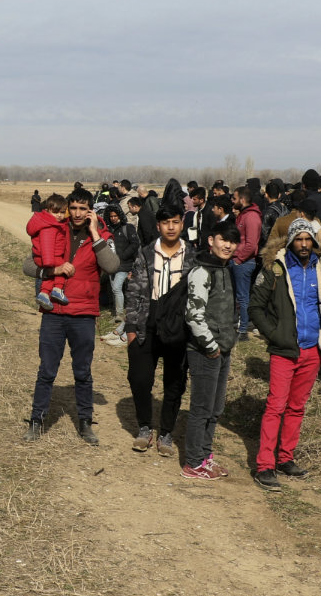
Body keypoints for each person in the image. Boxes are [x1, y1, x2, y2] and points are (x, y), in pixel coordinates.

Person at [23, 190, 117, 444]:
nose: (76, 214)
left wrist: (95, 233)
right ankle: (36, 421)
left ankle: (85, 423)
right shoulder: (54, 228)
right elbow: (28, 265)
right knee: (46, 370)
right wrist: (52, 270)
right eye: (72, 208)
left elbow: (111, 266)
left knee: (83, 372)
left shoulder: (102, 236)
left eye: (82, 209)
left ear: (90, 210)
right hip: (54, 312)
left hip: (84, 314)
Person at [249, 218, 321, 491]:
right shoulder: (276, 267)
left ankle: (285, 458)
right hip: (284, 350)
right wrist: (274, 334)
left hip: (312, 350)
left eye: (308, 239)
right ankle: (264, 465)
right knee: (276, 406)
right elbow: (255, 307)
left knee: (297, 407)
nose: (304, 244)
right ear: (290, 241)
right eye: (299, 239)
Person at [122, 206, 195, 456]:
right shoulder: (146, 253)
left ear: (182, 224)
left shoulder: (192, 256)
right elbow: (134, 291)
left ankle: (166, 432)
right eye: (165, 223)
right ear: (158, 226)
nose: (171, 227)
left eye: (175, 222)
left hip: (178, 325)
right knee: (139, 378)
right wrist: (131, 329)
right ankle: (144, 427)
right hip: (147, 321)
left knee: (175, 381)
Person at [181, 222, 240, 480]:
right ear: (211, 240)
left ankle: (205, 456)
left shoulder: (226, 269)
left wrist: (229, 339)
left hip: (223, 348)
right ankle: (193, 462)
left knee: (215, 409)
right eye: (223, 239)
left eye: (233, 241)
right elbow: (193, 315)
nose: (228, 245)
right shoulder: (201, 271)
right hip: (204, 351)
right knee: (201, 408)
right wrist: (211, 346)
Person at [101, 204, 141, 344]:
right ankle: (117, 312)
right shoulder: (108, 230)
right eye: (111, 216)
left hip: (125, 265)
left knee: (116, 288)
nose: (113, 218)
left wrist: (123, 256)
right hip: (111, 265)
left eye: (115, 216)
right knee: (114, 289)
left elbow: (135, 244)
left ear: (120, 216)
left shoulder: (127, 228)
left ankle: (119, 314)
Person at [26, 194, 70, 311]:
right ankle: (57, 289)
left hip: (45, 257)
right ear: (48, 210)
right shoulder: (49, 226)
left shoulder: (50, 222)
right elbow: (47, 245)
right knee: (63, 268)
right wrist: (49, 263)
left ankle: (44, 293)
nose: (59, 215)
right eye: (55, 212)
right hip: (49, 257)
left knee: (50, 276)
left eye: (62, 212)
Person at [232, 185, 263, 339]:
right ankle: (239, 323)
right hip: (239, 260)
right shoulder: (243, 215)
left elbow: (251, 244)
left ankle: (243, 329)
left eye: (235, 198)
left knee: (243, 296)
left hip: (244, 262)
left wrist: (239, 259)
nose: (232, 201)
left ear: (242, 199)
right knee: (239, 295)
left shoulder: (251, 217)